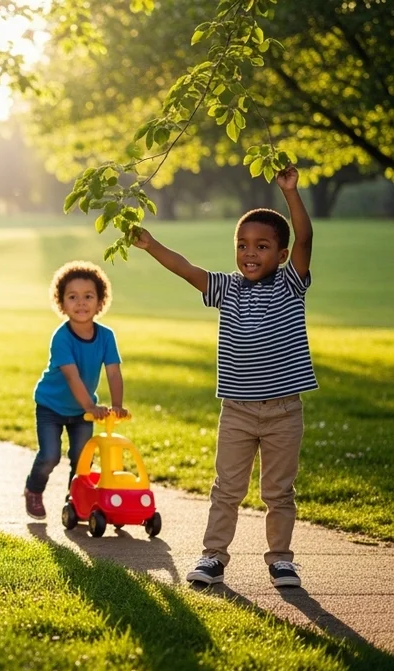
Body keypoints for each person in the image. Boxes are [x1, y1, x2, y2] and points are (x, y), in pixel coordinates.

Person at [133, 166, 315, 589]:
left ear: (282, 255)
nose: (250, 253)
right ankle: (213, 556)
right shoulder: (226, 288)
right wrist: (149, 243)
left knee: (279, 493)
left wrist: (290, 192)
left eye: (262, 246)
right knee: (226, 490)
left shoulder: (290, 285)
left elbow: (304, 237)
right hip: (236, 412)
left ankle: (282, 561)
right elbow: (185, 268)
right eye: (242, 245)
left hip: (284, 411)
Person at [23, 262, 128, 520]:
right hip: (51, 406)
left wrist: (117, 405)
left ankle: (76, 500)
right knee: (50, 456)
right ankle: (33, 490)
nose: (81, 303)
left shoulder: (106, 336)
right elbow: (72, 377)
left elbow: (113, 372)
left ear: (100, 301)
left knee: (82, 459)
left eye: (88, 296)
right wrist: (91, 408)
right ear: (61, 303)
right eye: (73, 297)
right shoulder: (62, 337)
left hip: (82, 410)